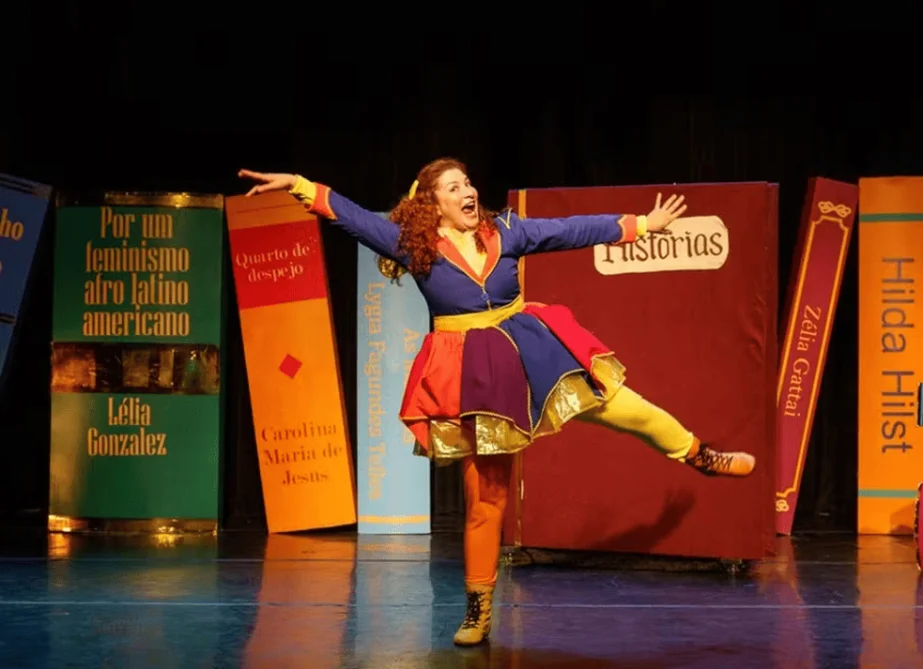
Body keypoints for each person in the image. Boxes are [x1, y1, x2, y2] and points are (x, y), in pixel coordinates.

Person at [238, 159, 756, 647]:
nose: (468, 191)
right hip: (478, 376)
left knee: (627, 406)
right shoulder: (414, 247)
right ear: (432, 203)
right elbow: (350, 217)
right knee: (486, 499)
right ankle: (478, 608)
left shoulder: (505, 231)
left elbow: (571, 230)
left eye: (467, 182)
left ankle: (699, 455)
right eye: (454, 187)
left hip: (532, 348)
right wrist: (299, 185)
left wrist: (640, 225)